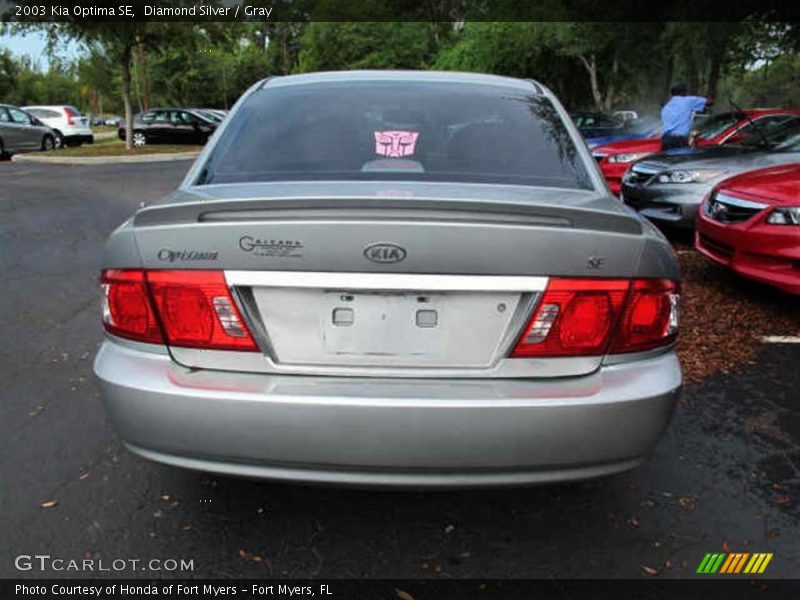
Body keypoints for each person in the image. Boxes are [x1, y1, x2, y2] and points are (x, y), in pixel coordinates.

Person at [660, 82, 714, 151]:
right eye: (685, 91)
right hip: (679, 141)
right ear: (683, 92)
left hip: (665, 140)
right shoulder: (688, 101)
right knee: (682, 161)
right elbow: (710, 102)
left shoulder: (666, 106)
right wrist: (709, 96)